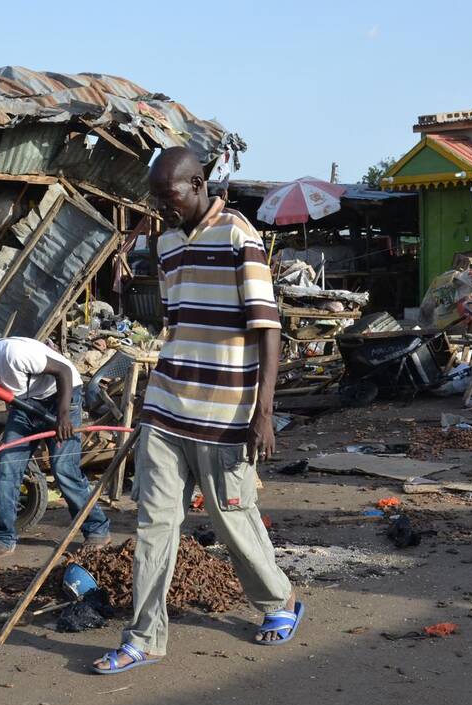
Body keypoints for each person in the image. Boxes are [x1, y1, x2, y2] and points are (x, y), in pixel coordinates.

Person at [92, 147, 302, 674]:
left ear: (200, 183)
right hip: (167, 407)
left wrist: (264, 410)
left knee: (232, 518)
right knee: (153, 524)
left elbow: (267, 326)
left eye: (171, 196)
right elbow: (179, 321)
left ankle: (278, 602)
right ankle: (144, 637)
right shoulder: (165, 242)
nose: (163, 208)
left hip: (227, 412)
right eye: (157, 199)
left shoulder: (239, 235)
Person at [0, 331, 110, 562]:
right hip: (23, 407)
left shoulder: (13, 353)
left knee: (63, 468)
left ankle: (97, 530)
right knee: (6, 471)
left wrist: (64, 415)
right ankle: (4, 539)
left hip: (61, 396)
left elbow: (63, 371)